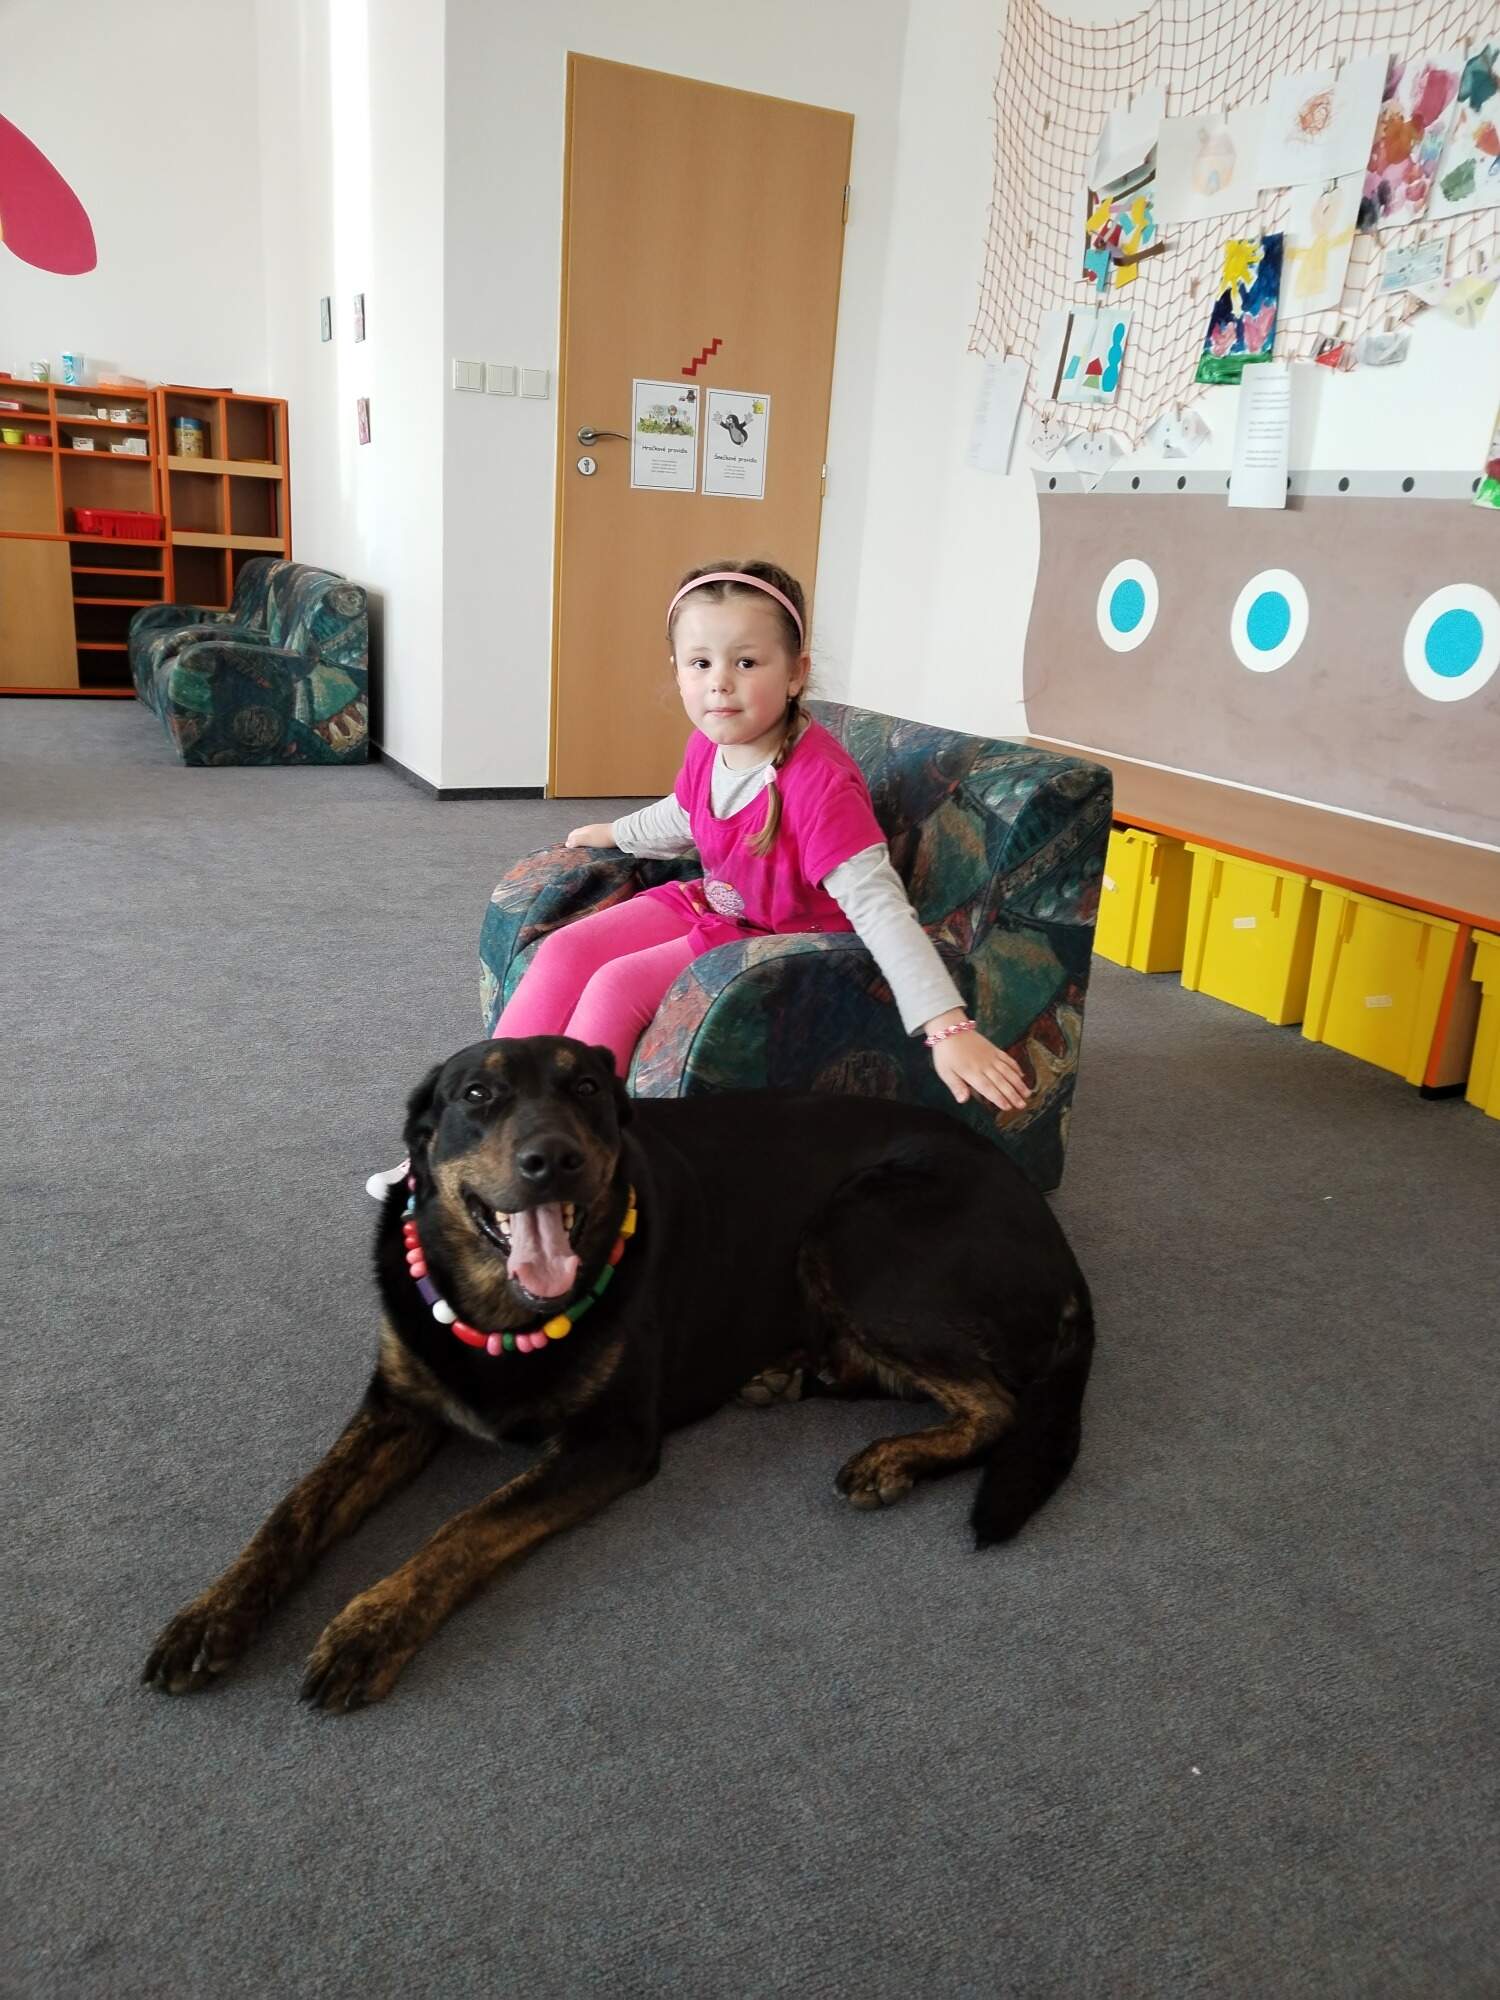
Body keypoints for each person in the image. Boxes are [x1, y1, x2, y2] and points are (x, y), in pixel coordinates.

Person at [368, 559, 1029, 1198]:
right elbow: (685, 814)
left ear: (796, 674)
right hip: (714, 902)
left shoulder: (821, 785)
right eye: (701, 663)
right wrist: (614, 833)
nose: (720, 684)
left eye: (747, 663)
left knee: (616, 984)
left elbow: (882, 910)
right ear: (678, 673)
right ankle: (469, 1141)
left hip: (777, 935)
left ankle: (567, 1164)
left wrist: (948, 1028)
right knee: (566, 949)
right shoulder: (712, 746)